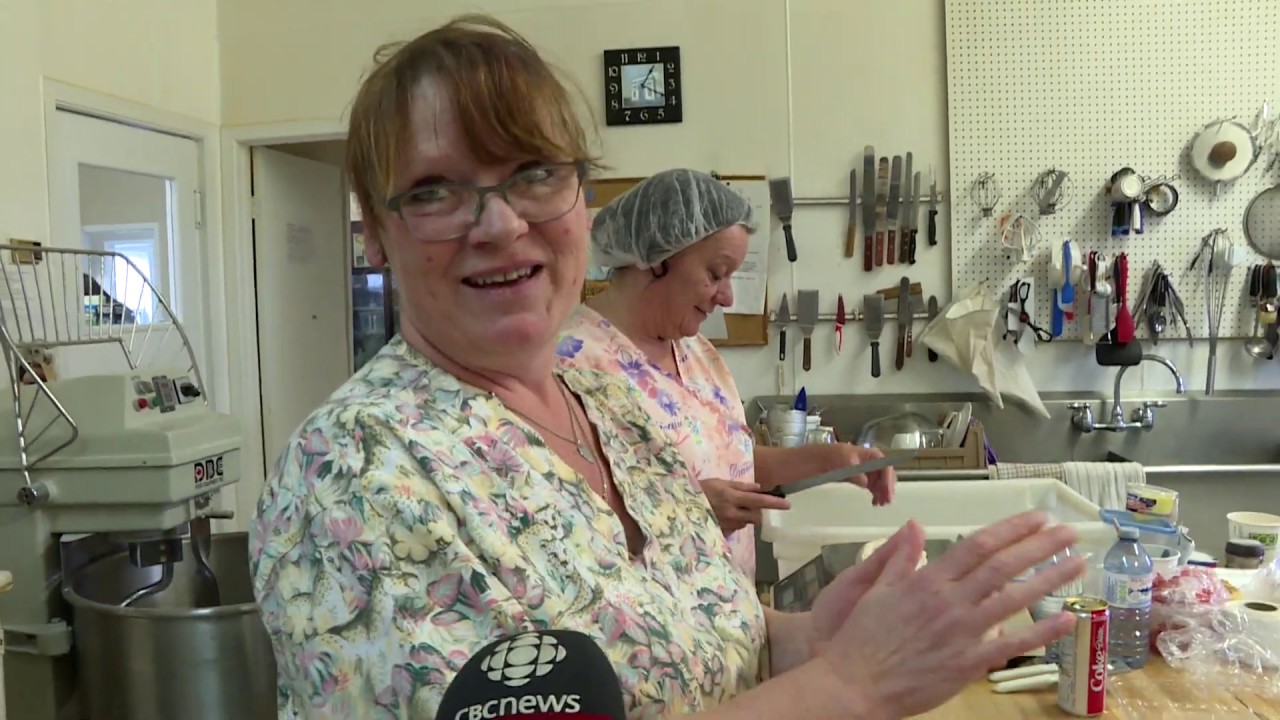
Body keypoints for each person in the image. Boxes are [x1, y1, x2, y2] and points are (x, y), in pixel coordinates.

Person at [248, 14, 1086, 720]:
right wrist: (846, 685)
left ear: (582, 196)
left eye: (535, 173)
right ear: (375, 235)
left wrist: (808, 638)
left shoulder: (605, 406)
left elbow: (680, 642)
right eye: (434, 190)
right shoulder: (355, 473)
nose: (500, 224)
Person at [558, 169, 895, 578]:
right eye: (716, 274)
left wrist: (836, 460)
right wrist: (685, 512)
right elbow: (561, 519)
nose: (729, 296)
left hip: (728, 619)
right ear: (657, 259)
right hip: (648, 628)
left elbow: (732, 465)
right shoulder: (571, 363)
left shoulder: (698, 354)